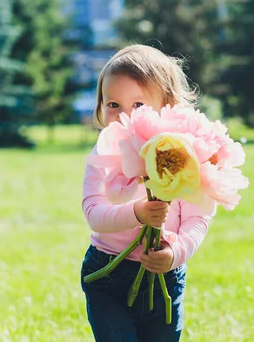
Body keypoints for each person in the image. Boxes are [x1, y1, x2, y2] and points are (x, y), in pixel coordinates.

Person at [81, 45, 209, 341]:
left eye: (138, 106)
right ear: (100, 107)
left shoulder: (183, 156)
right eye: (113, 105)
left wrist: (176, 253)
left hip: (163, 276)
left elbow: (197, 219)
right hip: (109, 274)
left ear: (168, 105)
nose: (125, 117)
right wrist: (137, 213)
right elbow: (94, 214)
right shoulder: (104, 150)